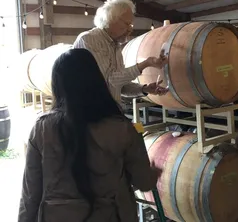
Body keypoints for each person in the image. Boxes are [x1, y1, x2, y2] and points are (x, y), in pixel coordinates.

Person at [18, 49, 161, 222]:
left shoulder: (42, 129)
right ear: (97, 82)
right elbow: (144, 183)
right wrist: (153, 172)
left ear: (58, 85)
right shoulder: (122, 129)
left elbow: (30, 195)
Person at [73, 0, 168, 105]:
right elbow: (110, 80)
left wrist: (145, 89)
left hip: (110, 113)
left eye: (131, 25)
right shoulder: (90, 39)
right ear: (110, 19)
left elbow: (120, 87)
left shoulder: (115, 45)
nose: (130, 29)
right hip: (90, 114)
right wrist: (145, 63)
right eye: (127, 24)